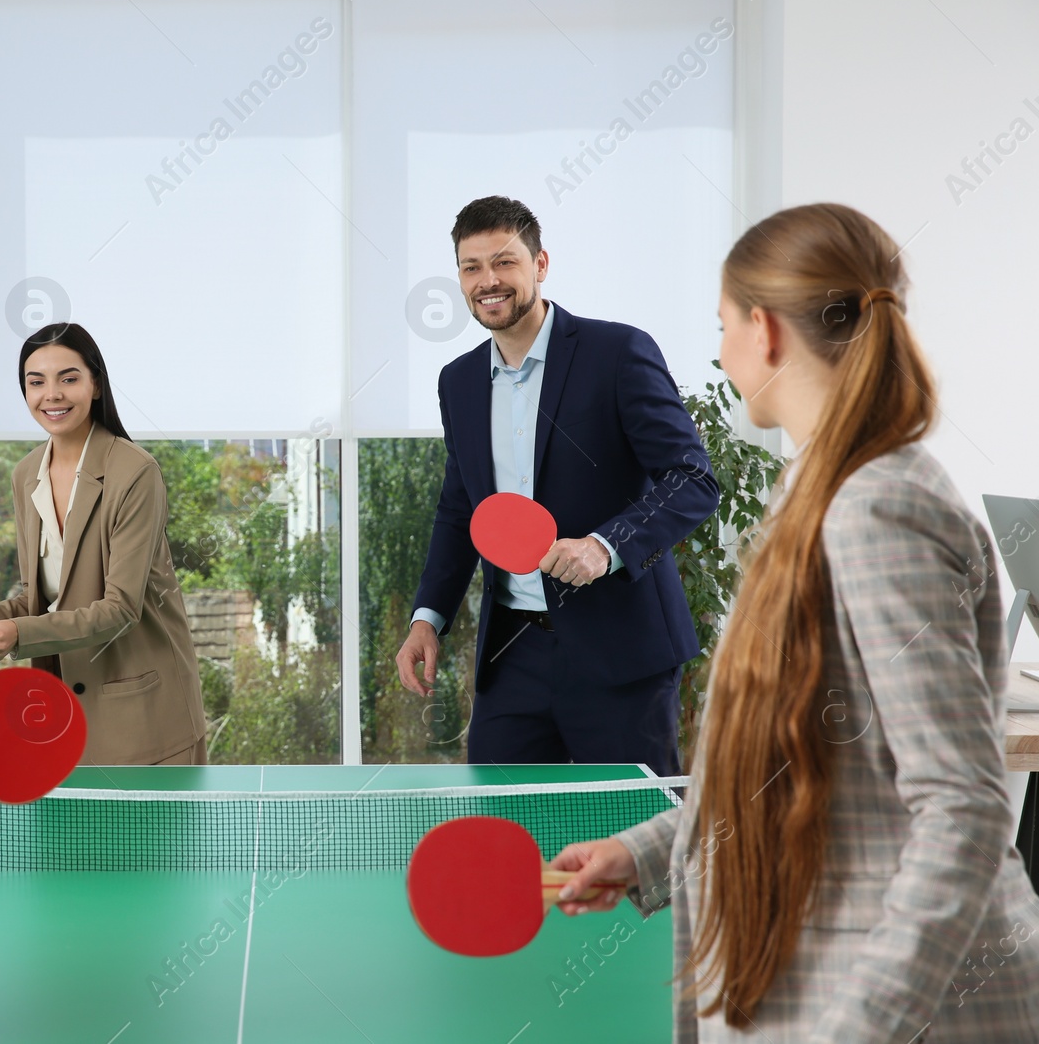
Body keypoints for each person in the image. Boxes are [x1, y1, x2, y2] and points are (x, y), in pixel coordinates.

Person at [553, 203, 1039, 1041]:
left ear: (764, 329)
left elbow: (962, 807)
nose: (718, 354)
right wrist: (647, 851)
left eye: (722, 327)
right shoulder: (819, 490)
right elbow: (795, 763)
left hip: (888, 1010)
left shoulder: (879, 506)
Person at [395, 196, 719, 774]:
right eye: (471, 267)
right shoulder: (459, 382)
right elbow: (458, 510)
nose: (487, 281)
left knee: (632, 840)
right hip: (511, 655)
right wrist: (429, 618)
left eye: (504, 262)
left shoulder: (617, 353)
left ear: (541, 264)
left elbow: (692, 478)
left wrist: (605, 546)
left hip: (620, 653)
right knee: (504, 837)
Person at [0, 323, 208, 765]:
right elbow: (40, 597)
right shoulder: (26, 475)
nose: (52, 395)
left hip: (143, 719)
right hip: (60, 715)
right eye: (36, 382)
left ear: (95, 384)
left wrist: (17, 635)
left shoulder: (136, 473)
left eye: (68, 378)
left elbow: (120, 608)